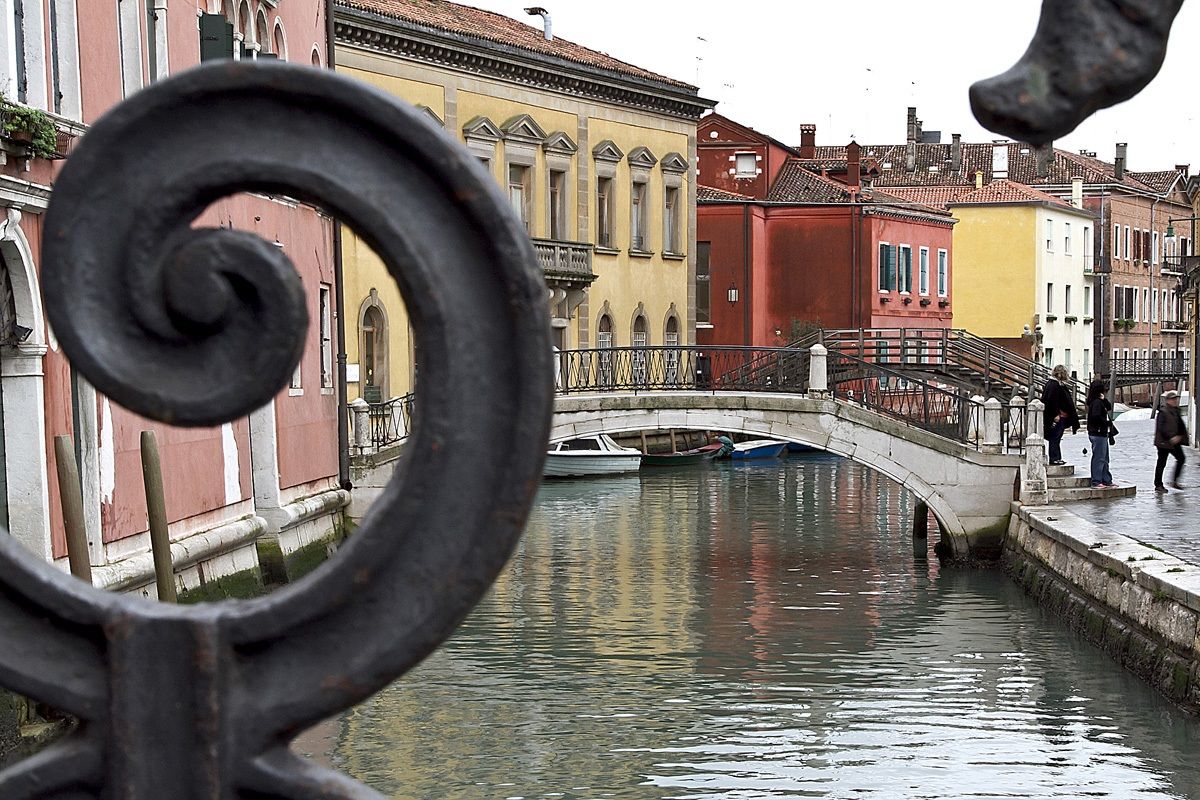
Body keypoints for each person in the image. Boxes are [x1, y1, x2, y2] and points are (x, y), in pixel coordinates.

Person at [1041, 365, 1079, 466]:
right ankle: (1054, 458)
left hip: (1061, 416)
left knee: (1057, 438)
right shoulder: (1054, 385)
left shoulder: (1055, 384)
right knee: (1055, 438)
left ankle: (1057, 457)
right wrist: (1056, 414)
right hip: (1058, 417)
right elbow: (1052, 401)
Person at [1153, 390, 1189, 492]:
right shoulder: (1163, 412)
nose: (1175, 401)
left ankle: (1175, 481)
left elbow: (1180, 425)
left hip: (1174, 442)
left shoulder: (1176, 411)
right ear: (1168, 400)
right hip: (1164, 442)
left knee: (1181, 458)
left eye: (1175, 399)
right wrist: (1171, 437)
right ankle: (1158, 485)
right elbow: (1161, 427)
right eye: (1172, 399)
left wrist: (1182, 436)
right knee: (1161, 463)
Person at [1085, 379, 1116, 488]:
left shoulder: (1097, 401)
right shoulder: (1096, 403)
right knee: (1099, 458)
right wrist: (1106, 423)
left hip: (1100, 433)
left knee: (1104, 457)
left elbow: (1109, 407)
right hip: (1098, 433)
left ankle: (1106, 479)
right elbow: (1096, 416)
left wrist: (1104, 400)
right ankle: (1097, 481)